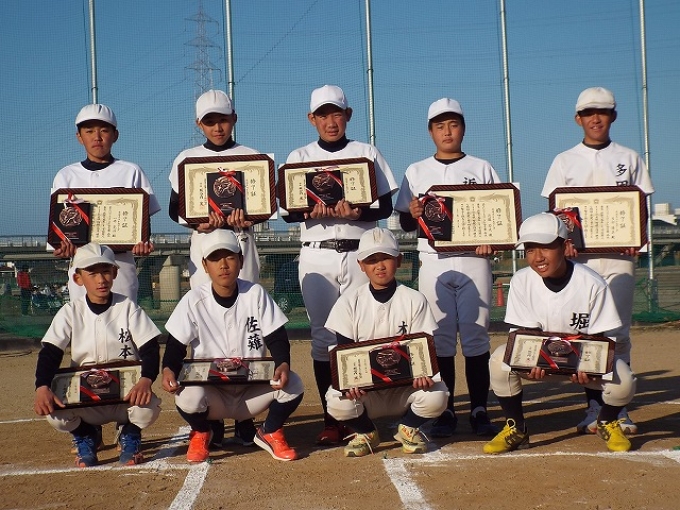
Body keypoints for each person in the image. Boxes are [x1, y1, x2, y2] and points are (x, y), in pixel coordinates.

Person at [282, 85, 398, 445]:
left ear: (348, 115)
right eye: (323, 114)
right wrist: (307, 210)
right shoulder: (299, 156)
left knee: (359, 335)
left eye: (336, 113)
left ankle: (359, 413)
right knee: (322, 337)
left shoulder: (366, 152)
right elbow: (287, 213)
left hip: (359, 252)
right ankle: (333, 417)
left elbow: (385, 207)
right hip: (317, 252)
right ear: (311, 118)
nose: (330, 121)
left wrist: (358, 212)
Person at [542, 87, 654, 435]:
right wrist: (563, 241)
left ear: (612, 117)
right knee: (588, 332)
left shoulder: (629, 158)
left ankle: (618, 407)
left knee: (619, 332)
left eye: (602, 112)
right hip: (581, 260)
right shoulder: (564, 160)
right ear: (578, 119)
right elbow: (555, 210)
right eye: (589, 113)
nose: (596, 118)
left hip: (619, 257)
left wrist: (637, 237)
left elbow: (641, 206)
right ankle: (593, 406)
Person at [484, 213, 636, 454]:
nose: (538, 257)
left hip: (581, 364)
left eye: (546, 247)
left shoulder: (592, 283)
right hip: (541, 363)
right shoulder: (522, 281)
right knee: (498, 360)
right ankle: (516, 427)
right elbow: (523, 337)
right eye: (530, 249)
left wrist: (588, 368)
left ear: (564, 246)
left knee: (624, 378)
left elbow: (601, 340)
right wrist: (530, 364)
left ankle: (607, 421)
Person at [395, 98, 500, 437]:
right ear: (430, 131)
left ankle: (479, 409)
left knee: (475, 335)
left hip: (473, 259)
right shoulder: (416, 170)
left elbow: (498, 215)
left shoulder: (482, 167)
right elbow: (405, 223)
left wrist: (493, 241)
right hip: (434, 260)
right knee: (439, 337)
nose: (447, 131)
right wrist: (413, 214)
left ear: (463, 128)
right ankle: (447, 409)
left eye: (453, 124)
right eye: (440, 126)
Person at [168, 89, 265, 447]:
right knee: (204, 326)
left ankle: (245, 415)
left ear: (234, 119)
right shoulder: (187, 159)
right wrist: (197, 220)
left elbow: (265, 203)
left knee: (248, 319)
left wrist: (249, 216)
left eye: (223, 119)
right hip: (204, 245)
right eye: (210, 121)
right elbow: (175, 209)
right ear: (199, 124)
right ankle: (213, 414)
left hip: (240, 242)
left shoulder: (251, 157)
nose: (217, 127)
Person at [160, 229, 304, 463]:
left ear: (241, 260)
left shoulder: (255, 294)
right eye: (215, 258)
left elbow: (276, 337)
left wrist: (283, 364)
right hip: (212, 393)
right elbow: (176, 345)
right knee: (186, 396)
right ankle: (202, 431)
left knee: (294, 383)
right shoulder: (194, 299)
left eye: (229, 257)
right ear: (205, 265)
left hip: (251, 392)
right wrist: (168, 369)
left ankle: (269, 431)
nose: (223, 265)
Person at [33, 242, 162, 467]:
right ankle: (86, 434)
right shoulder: (70, 311)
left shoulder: (127, 307)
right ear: (78, 278)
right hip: (86, 393)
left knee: (149, 406)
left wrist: (146, 380)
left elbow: (150, 347)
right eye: (92, 273)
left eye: (105, 271)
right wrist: (41, 386)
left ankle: (129, 432)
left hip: (125, 392)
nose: (101, 279)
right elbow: (51, 352)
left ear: (115, 273)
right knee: (54, 411)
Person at [324, 228, 448, 457]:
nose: (379, 266)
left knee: (438, 395)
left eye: (386, 258)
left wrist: (423, 373)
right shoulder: (349, 302)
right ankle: (366, 433)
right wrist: (351, 382)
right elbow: (345, 354)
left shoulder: (414, 299)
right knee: (336, 401)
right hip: (368, 393)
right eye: (372, 260)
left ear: (399, 260)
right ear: (361, 265)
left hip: (405, 389)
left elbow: (422, 350)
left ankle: (408, 427)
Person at [51, 104, 160, 304]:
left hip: (120, 265)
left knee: (124, 319)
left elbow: (145, 220)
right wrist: (62, 247)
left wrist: (142, 242)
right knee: (84, 319)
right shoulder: (66, 175)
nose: (97, 137)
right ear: (79, 137)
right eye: (89, 131)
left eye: (104, 130)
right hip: (83, 264)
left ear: (115, 135)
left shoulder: (131, 171)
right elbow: (60, 227)